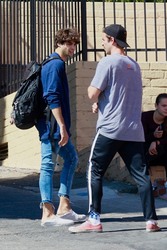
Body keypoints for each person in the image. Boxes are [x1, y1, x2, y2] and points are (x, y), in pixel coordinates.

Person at [68, 24, 160, 233]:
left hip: (110, 128)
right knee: (142, 175)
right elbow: (120, 96)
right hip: (133, 130)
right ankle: (151, 220)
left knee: (95, 170)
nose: (101, 42)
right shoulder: (134, 65)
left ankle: (93, 219)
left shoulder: (107, 62)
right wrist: (102, 101)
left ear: (111, 40)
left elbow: (92, 92)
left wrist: (96, 98)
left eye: (103, 39)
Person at [36, 27, 86, 227]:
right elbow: (51, 97)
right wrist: (62, 126)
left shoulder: (54, 63)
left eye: (75, 44)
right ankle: (47, 213)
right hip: (51, 126)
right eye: (70, 43)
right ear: (60, 43)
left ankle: (64, 206)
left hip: (52, 125)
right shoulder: (55, 64)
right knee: (48, 164)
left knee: (71, 159)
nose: (73, 47)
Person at [141, 93, 167, 176]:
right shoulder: (145, 117)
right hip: (146, 151)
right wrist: (153, 135)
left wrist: (156, 142)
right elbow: (139, 137)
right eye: (164, 106)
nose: (166, 108)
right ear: (156, 105)